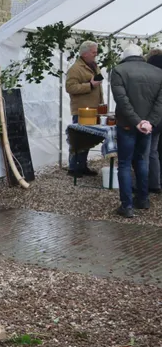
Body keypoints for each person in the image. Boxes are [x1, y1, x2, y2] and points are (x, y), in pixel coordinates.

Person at [109, 44, 162, 218]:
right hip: (147, 126)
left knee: (124, 164)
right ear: (141, 55)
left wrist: (136, 121)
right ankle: (143, 199)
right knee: (141, 160)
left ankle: (127, 206)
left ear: (125, 56)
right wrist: (149, 122)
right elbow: (160, 103)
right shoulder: (158, 72)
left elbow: (121, 100)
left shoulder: (119, 70)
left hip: (127, 124)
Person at [64, 40, 104, 177]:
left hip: (93, 110)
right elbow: (70, 87)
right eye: (93, 52)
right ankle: (73, 168)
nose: (96, 54)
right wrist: (90, 85)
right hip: (82, 111)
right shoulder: (75, 69)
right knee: (78, 140)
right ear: (85, 53)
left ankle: (82, 166)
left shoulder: (93, 65)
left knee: (87, 139)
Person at [146, 48, 162, 194]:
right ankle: (156, 182)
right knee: (154, 151)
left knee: (148, 151)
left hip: (152, 118)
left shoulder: (150, 74)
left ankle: (149, 183)